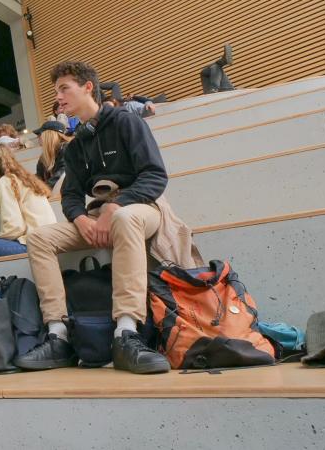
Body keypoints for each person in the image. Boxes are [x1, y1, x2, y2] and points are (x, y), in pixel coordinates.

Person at [16, 61, 200, 375]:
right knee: (38, 237)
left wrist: (117, 206)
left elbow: (155, 176)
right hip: (98, 216)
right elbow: (71, 196)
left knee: (125, 219)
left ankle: (126, 333)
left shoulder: (127, 122)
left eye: (64, 88)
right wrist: (81, 220)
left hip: (142, 207)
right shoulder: (74, 148)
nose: (58, 97)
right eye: (56, 91)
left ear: (89, 87)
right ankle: (58, 334)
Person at [0, 145, 56, 258]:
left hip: (31, 245)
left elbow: (15, 227)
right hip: (49, 241)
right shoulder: (26, 179)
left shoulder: (4, 182)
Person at [34, 121, 72, 189]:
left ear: (49, 135)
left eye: (40, 134)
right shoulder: (43, 157)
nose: (38, 138)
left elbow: (62, 175)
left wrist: (42, 190)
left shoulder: (68, 149)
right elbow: (38, 177)